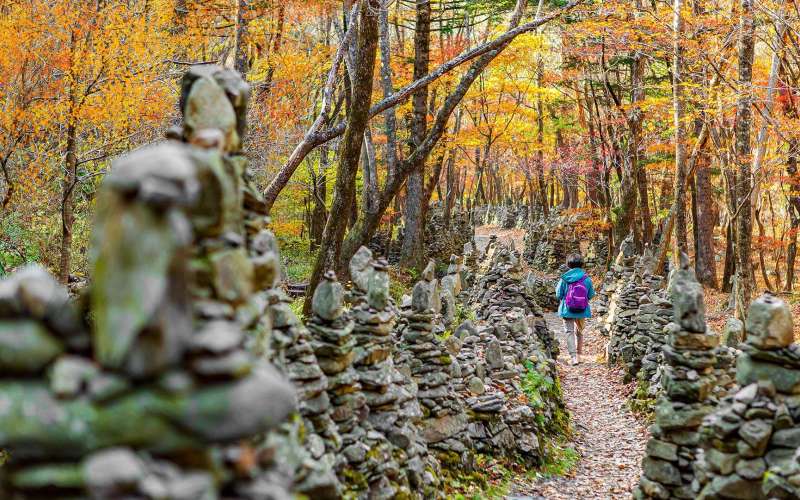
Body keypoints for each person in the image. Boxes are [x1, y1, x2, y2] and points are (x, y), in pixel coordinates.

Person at [555, 253, 595, 365]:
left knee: (569, 332)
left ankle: (573, 358)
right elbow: (591, 294)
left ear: (569, 264)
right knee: (580, 331)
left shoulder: (565, 278)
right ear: (581, 264)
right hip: (582, 310)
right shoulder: (586, 278)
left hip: (567, 309)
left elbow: (558, 294)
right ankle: (579, 355)